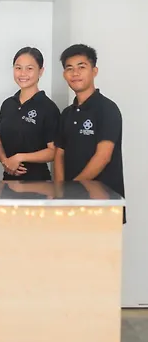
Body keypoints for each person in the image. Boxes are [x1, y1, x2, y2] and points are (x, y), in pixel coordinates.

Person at [53, 44, 125, 221]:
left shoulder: (107, 109)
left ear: (94, 71)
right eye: (69, 68)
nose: (75, 73)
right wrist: (61, 190)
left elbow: (103, 157)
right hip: (71, 204)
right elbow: (59, 154)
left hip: (103, 203)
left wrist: (73, 188)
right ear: (64, 75)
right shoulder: (66, 114)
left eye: (81, 67)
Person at [0, 47, 60, 181]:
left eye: (29, 68)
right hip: (8, 182)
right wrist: (6, 162)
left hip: (38, 183)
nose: (23, 73)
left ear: (40, 71)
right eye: (18, 68)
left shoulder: (48, 107)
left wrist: (20, 157)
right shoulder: (7, 104)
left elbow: (53, 151)